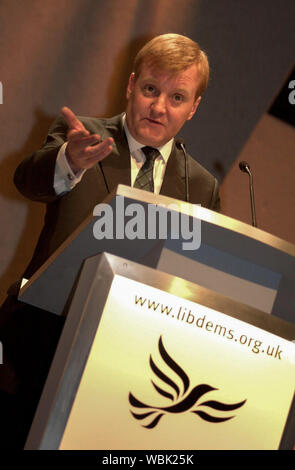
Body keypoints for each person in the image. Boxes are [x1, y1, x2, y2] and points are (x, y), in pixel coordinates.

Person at [0, 33, 221, 448]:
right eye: (150, 90)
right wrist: (69, 160)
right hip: (31, 350)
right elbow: (27, 180)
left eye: (177, 97)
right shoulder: (81, 135)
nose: (158, 107)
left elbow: (195, 278)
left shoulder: (201, 187)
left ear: (194, 108)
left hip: (120, 374)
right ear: (130, 85)